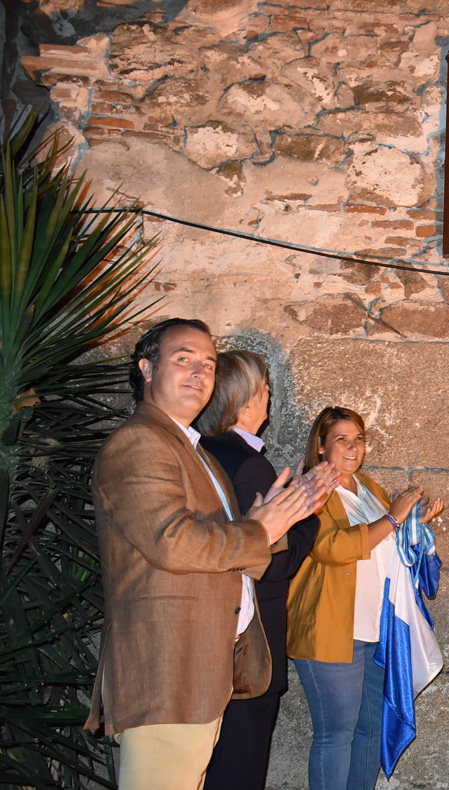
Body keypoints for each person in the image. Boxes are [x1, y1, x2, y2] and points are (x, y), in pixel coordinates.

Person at [84, 318, 330, 790]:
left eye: (209, 364)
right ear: (147, 369)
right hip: (168, 672)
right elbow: (173, 541)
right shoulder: (139, 442)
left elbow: (229, 538)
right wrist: (262, 529)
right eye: (184, 359)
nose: (199, 372)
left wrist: (278, 517)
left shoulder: (198, 452)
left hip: (205, 670)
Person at [287, 406, 444, 790]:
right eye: (342, 439)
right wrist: (392, 518)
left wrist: (411, 526)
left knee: (371, 730)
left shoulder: (370, 488)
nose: (353, 447)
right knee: (336, 733)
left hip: (377, 631)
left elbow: (383, 544)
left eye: (359, 438)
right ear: (321, 446)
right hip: (332, 628)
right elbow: (330, 548)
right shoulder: (311, 488)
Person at [198, 350, 332, 790]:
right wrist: (309, 511)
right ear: (243, 403)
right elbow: (275, 563)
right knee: (241, 762)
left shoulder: (203, 453)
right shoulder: (250, 464)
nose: (269, 395)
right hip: (251, 643)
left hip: (212, 637)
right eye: (263, 388)